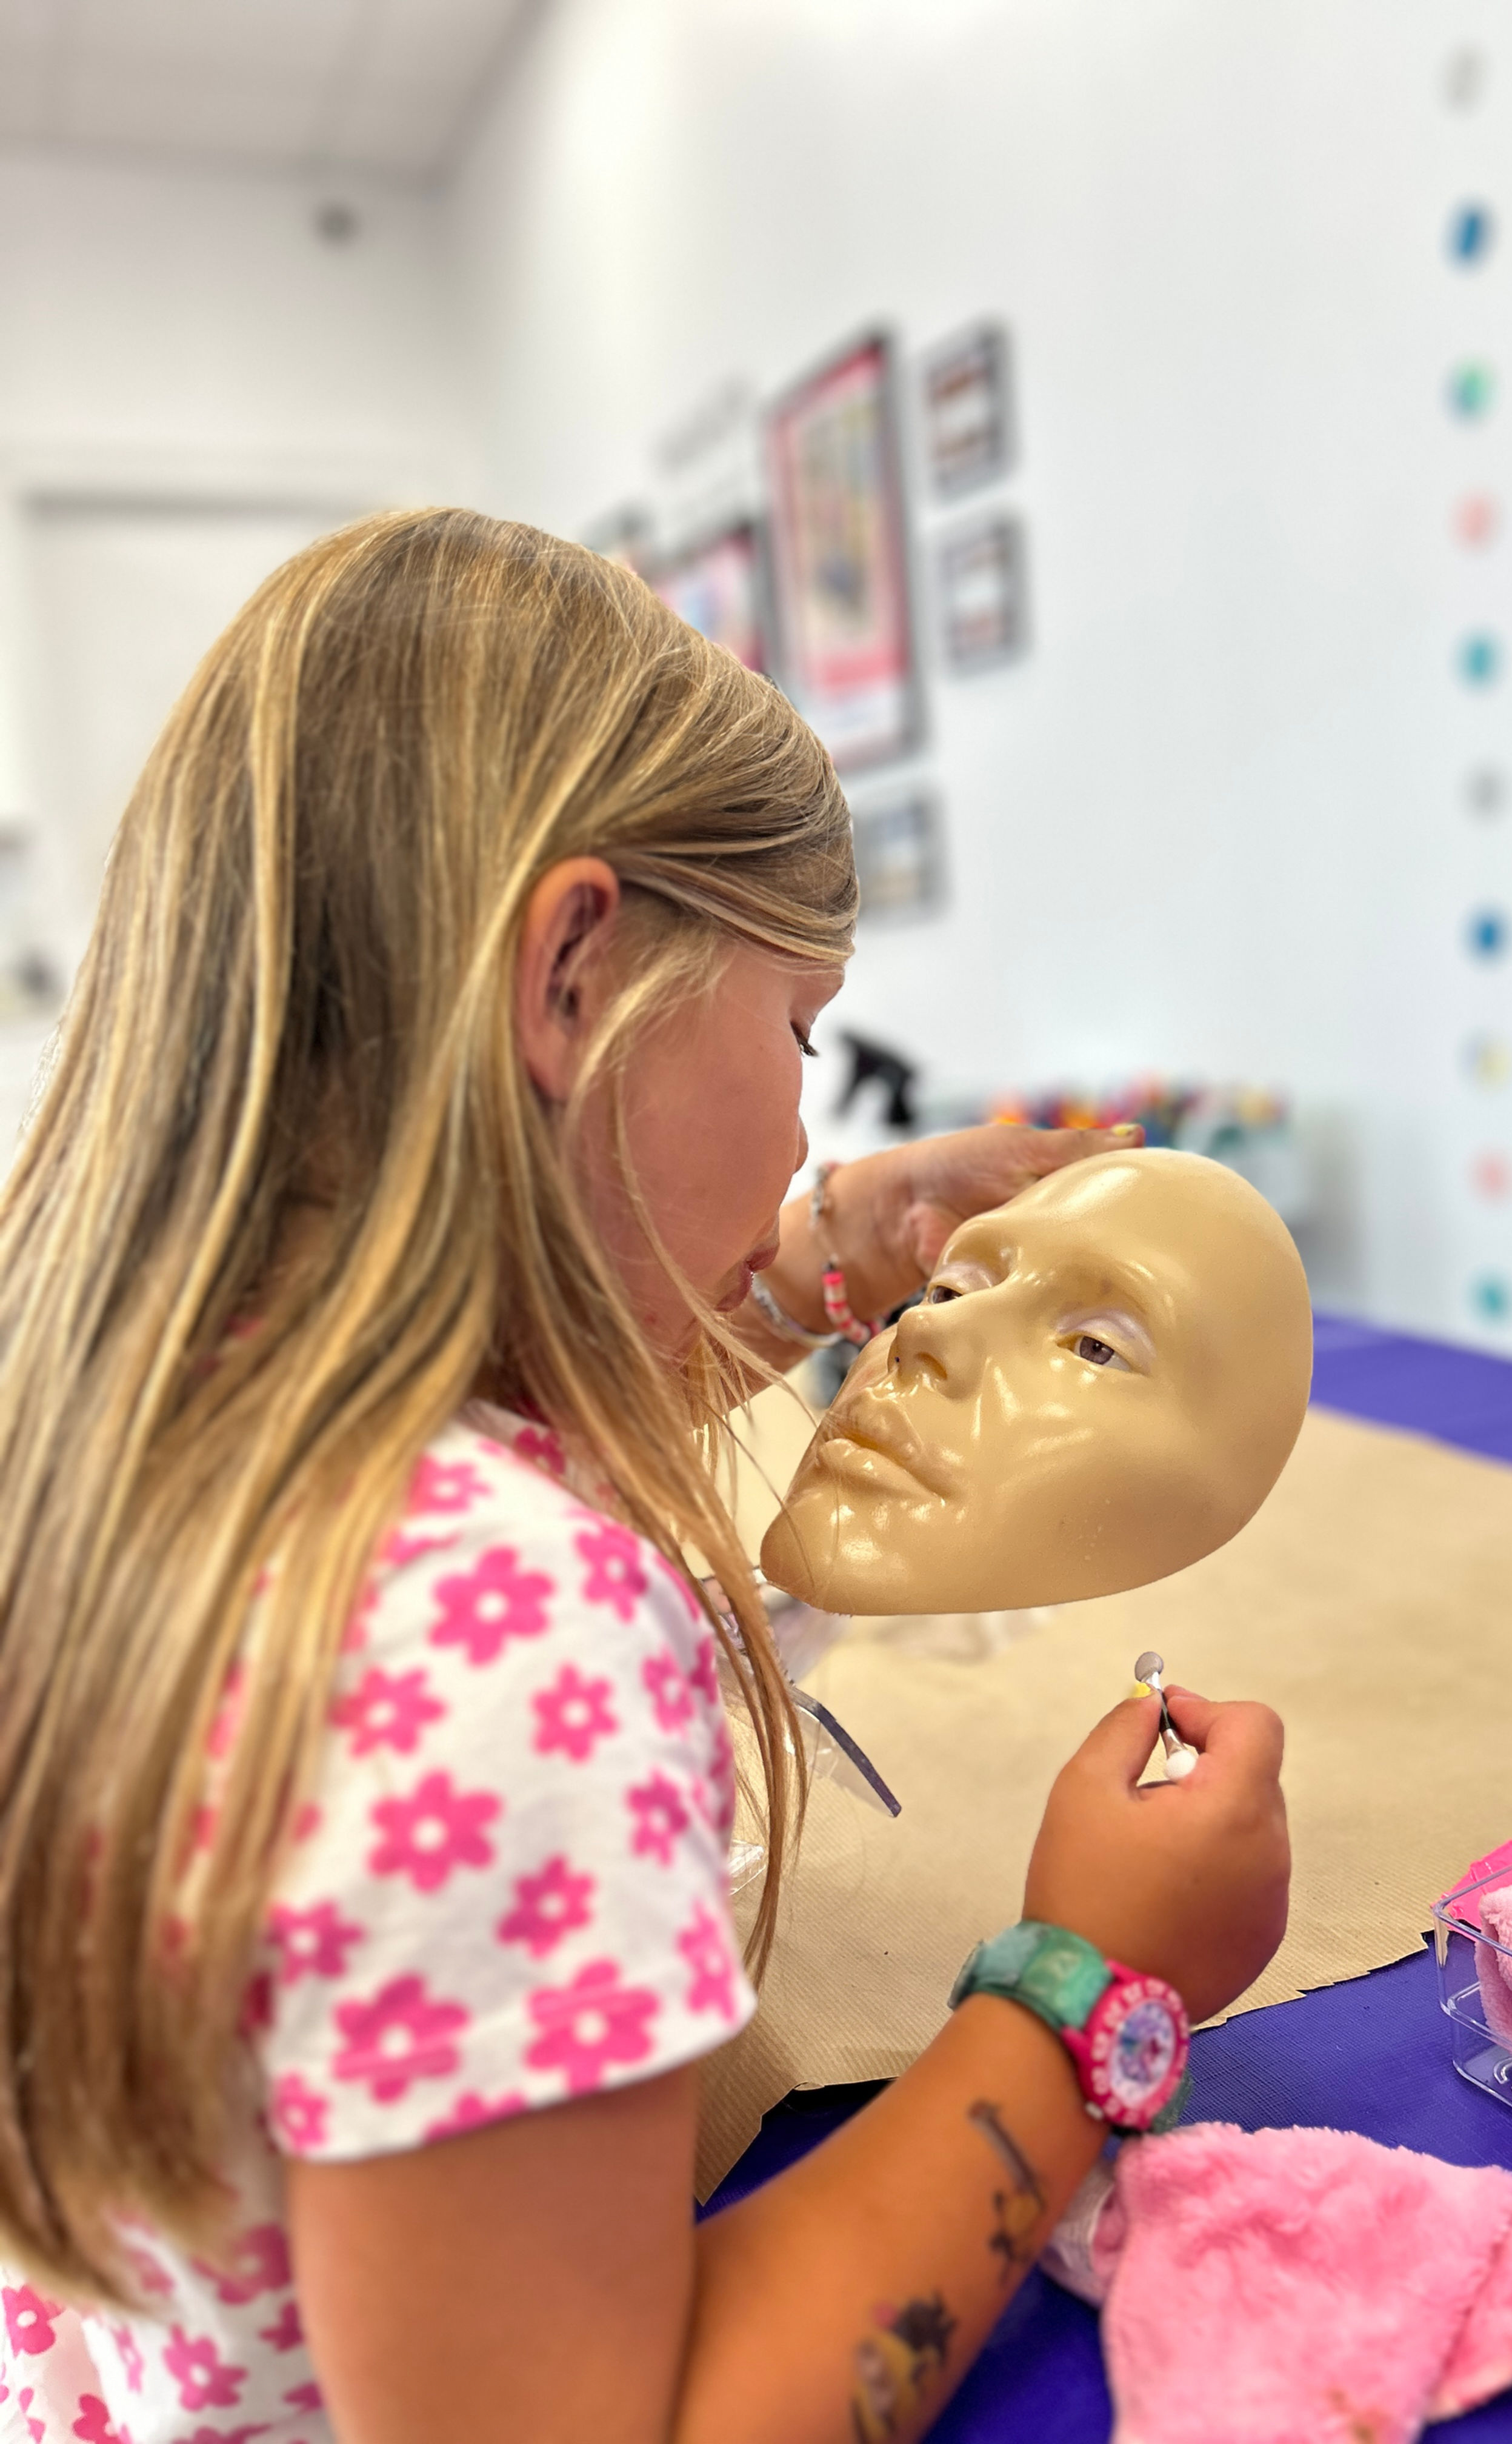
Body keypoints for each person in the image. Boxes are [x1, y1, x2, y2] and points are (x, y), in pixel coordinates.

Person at [0, 509, 1291, 2444]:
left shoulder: (127, 1416)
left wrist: (809, 1254)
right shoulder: (505, 1633)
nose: (806, 1118)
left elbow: (486, 1398)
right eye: (797, 1028)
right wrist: (1090, 1984)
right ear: (572, 975)